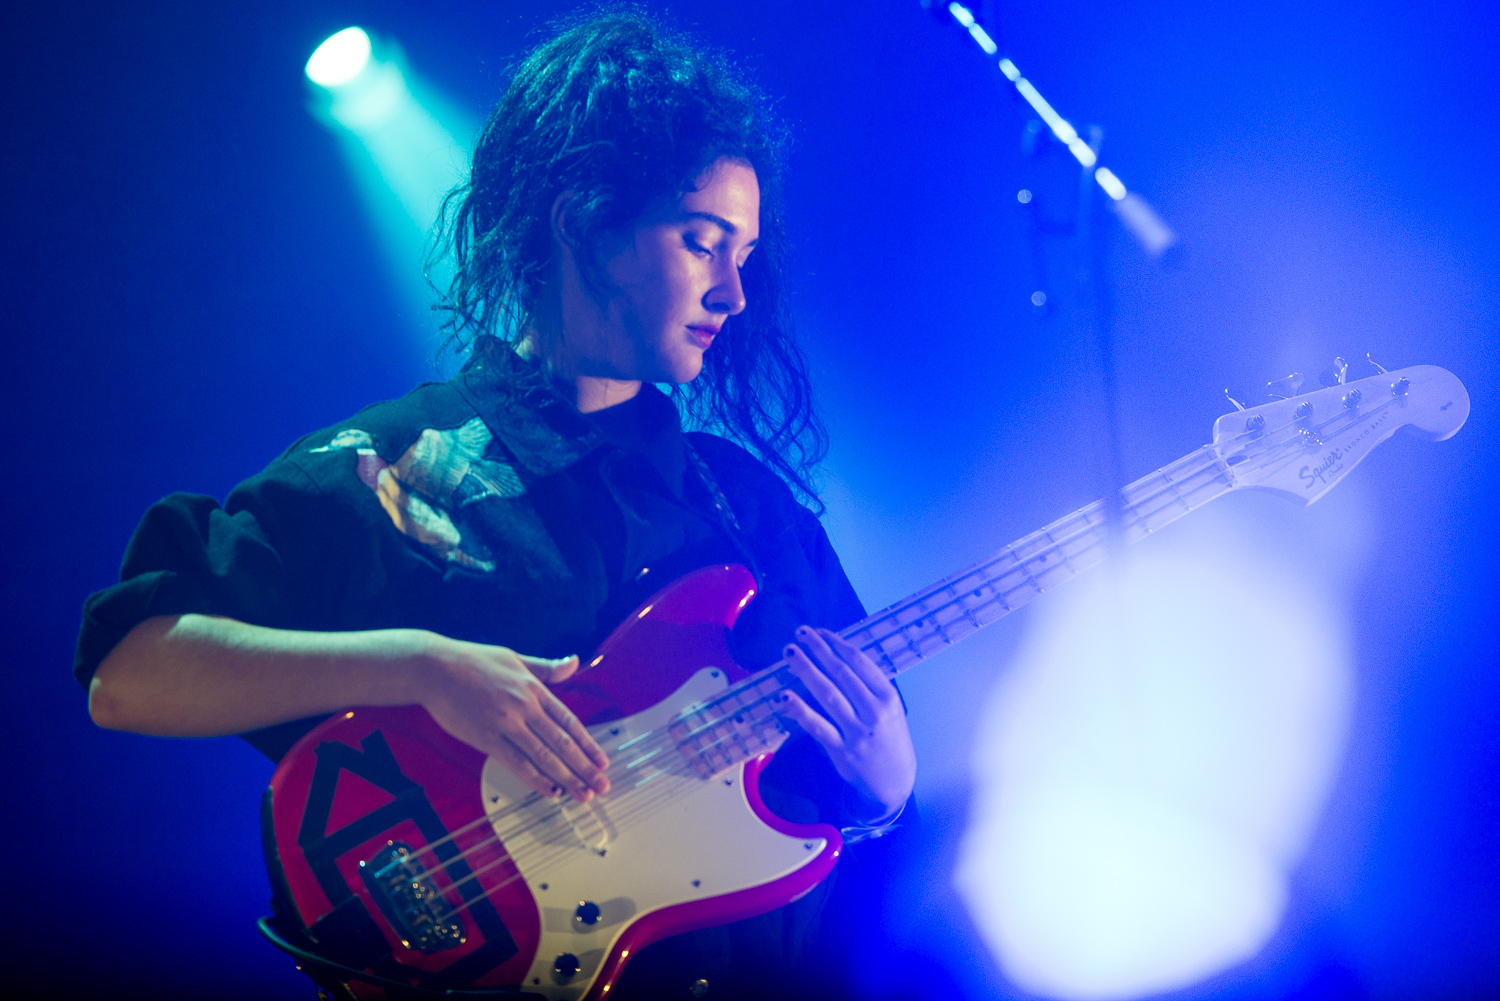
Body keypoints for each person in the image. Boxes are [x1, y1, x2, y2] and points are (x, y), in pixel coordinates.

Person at [77, 10, 915, 1000]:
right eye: (702, 242)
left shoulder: (746, 504)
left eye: (745, 253)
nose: (735, 292)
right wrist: (418, 666)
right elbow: (128, 674)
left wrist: (884, 779)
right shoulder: (389, 470)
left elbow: (840, 813)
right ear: (585, 222)